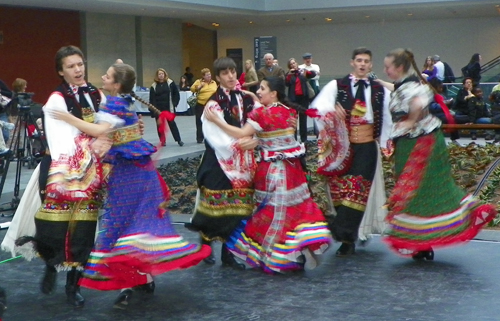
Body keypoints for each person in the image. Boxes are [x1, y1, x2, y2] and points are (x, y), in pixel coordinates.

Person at [51, 63, 211, 308]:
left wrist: (66, 117)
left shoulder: (114, 103)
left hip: (129, 176)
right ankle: (141, 279)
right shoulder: (125, 100)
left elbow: (98, 129)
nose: (102, 77)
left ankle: (133, 282)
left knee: (124, 227)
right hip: (137, 174)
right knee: (134, 227)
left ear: (116, 84)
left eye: (108, 75)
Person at [9, 45, 117, 308]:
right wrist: (86, 157)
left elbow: (108, 124)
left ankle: (73, 284)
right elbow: (60, 142)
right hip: (62, 169)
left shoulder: (94, 93)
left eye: (80, 64)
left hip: (91, 170)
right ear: (61, 71)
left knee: (83, 229)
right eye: (71, 66)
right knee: (55, 227)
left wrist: (105, 143)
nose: (78, 69)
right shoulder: (57, 100)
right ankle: (51, 263)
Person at [205, 76, 332, 273]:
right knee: (292, 211)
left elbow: (240, 134)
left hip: (272, 172)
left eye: (262, 88)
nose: (259, 91)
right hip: (293, 170)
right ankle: (296, 252)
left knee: (274, 214)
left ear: (273, 93)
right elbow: (277, 131)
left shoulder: (260, 114)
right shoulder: (290, 112)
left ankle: (278, 258)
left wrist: (217, 121)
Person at [381, 48, 496, 260]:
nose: (386, 70)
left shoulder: (412, 87)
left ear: (399, 67)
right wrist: (378, 83)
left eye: (388, 67)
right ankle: (424, 243)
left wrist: (410, 119)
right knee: (426, 192)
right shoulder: (411, 84)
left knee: (419, 193)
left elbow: (416, 103)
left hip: (419, 145)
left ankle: (426, 241)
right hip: (421, 142)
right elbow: (402, 92)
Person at [310, 47, 392, 256]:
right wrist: (331, 113)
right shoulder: (337, 86)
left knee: (357, 191)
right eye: (359, 60)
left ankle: (338, 229)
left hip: (366, 146)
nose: (362, 64)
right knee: (340, 192)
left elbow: (392, 114)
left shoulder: (379, 89)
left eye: (366, 61)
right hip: (341, 146)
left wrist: (387, 143)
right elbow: (316, 109)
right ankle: (348, 239)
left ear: (371, 65)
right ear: (352, 63)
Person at [185, 57, 257, 269]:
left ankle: (228, 253)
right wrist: (240, 144)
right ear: (217, 77)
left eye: (233, 71)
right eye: (225, 73)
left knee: (238, 209)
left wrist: (256, 140)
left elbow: (259, 122)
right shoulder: (213, 103)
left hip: (243, 162)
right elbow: (214, 136)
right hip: (219, 160)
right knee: (214, 206)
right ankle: (206, 243)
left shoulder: (246, 98)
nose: (231, 76)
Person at [149, 68, 184, 146]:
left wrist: (175, 103)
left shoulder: (170, 83)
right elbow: (151, 98)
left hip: (168, 107)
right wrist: (153, 110)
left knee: (172, 124)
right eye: (159, 74)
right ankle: (162, 141)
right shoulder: (153, 86)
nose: (161, 75)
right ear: (157, 76)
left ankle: (178, 140)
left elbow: (176, 94)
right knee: (160, 125)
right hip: (158, 109)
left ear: (165, 74)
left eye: (162, 74)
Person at [286, 57, 316, 143]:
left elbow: (313, 75)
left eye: (294, 63)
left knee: (303, 119)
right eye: (291, 64)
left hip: (303, 98)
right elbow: (286, 83)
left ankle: (304, 139)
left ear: (297, 63)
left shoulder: (302, 71)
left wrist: (306, 71)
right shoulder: (289, 74)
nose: (293, 65)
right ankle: (294, 138)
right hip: (293, 99)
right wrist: (289, 74)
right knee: (294, 119)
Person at [190, 68, 217, 143]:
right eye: (207, 75)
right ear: (203, 76)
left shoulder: (213, 82)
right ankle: (199, 138)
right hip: (200, 104)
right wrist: (198, 87)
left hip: (211, 105)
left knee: (210, 121)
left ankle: (209, 137)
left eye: (210, 74)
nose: (209, 76)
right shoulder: (199, 81)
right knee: (199, 121)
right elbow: (192, 89)